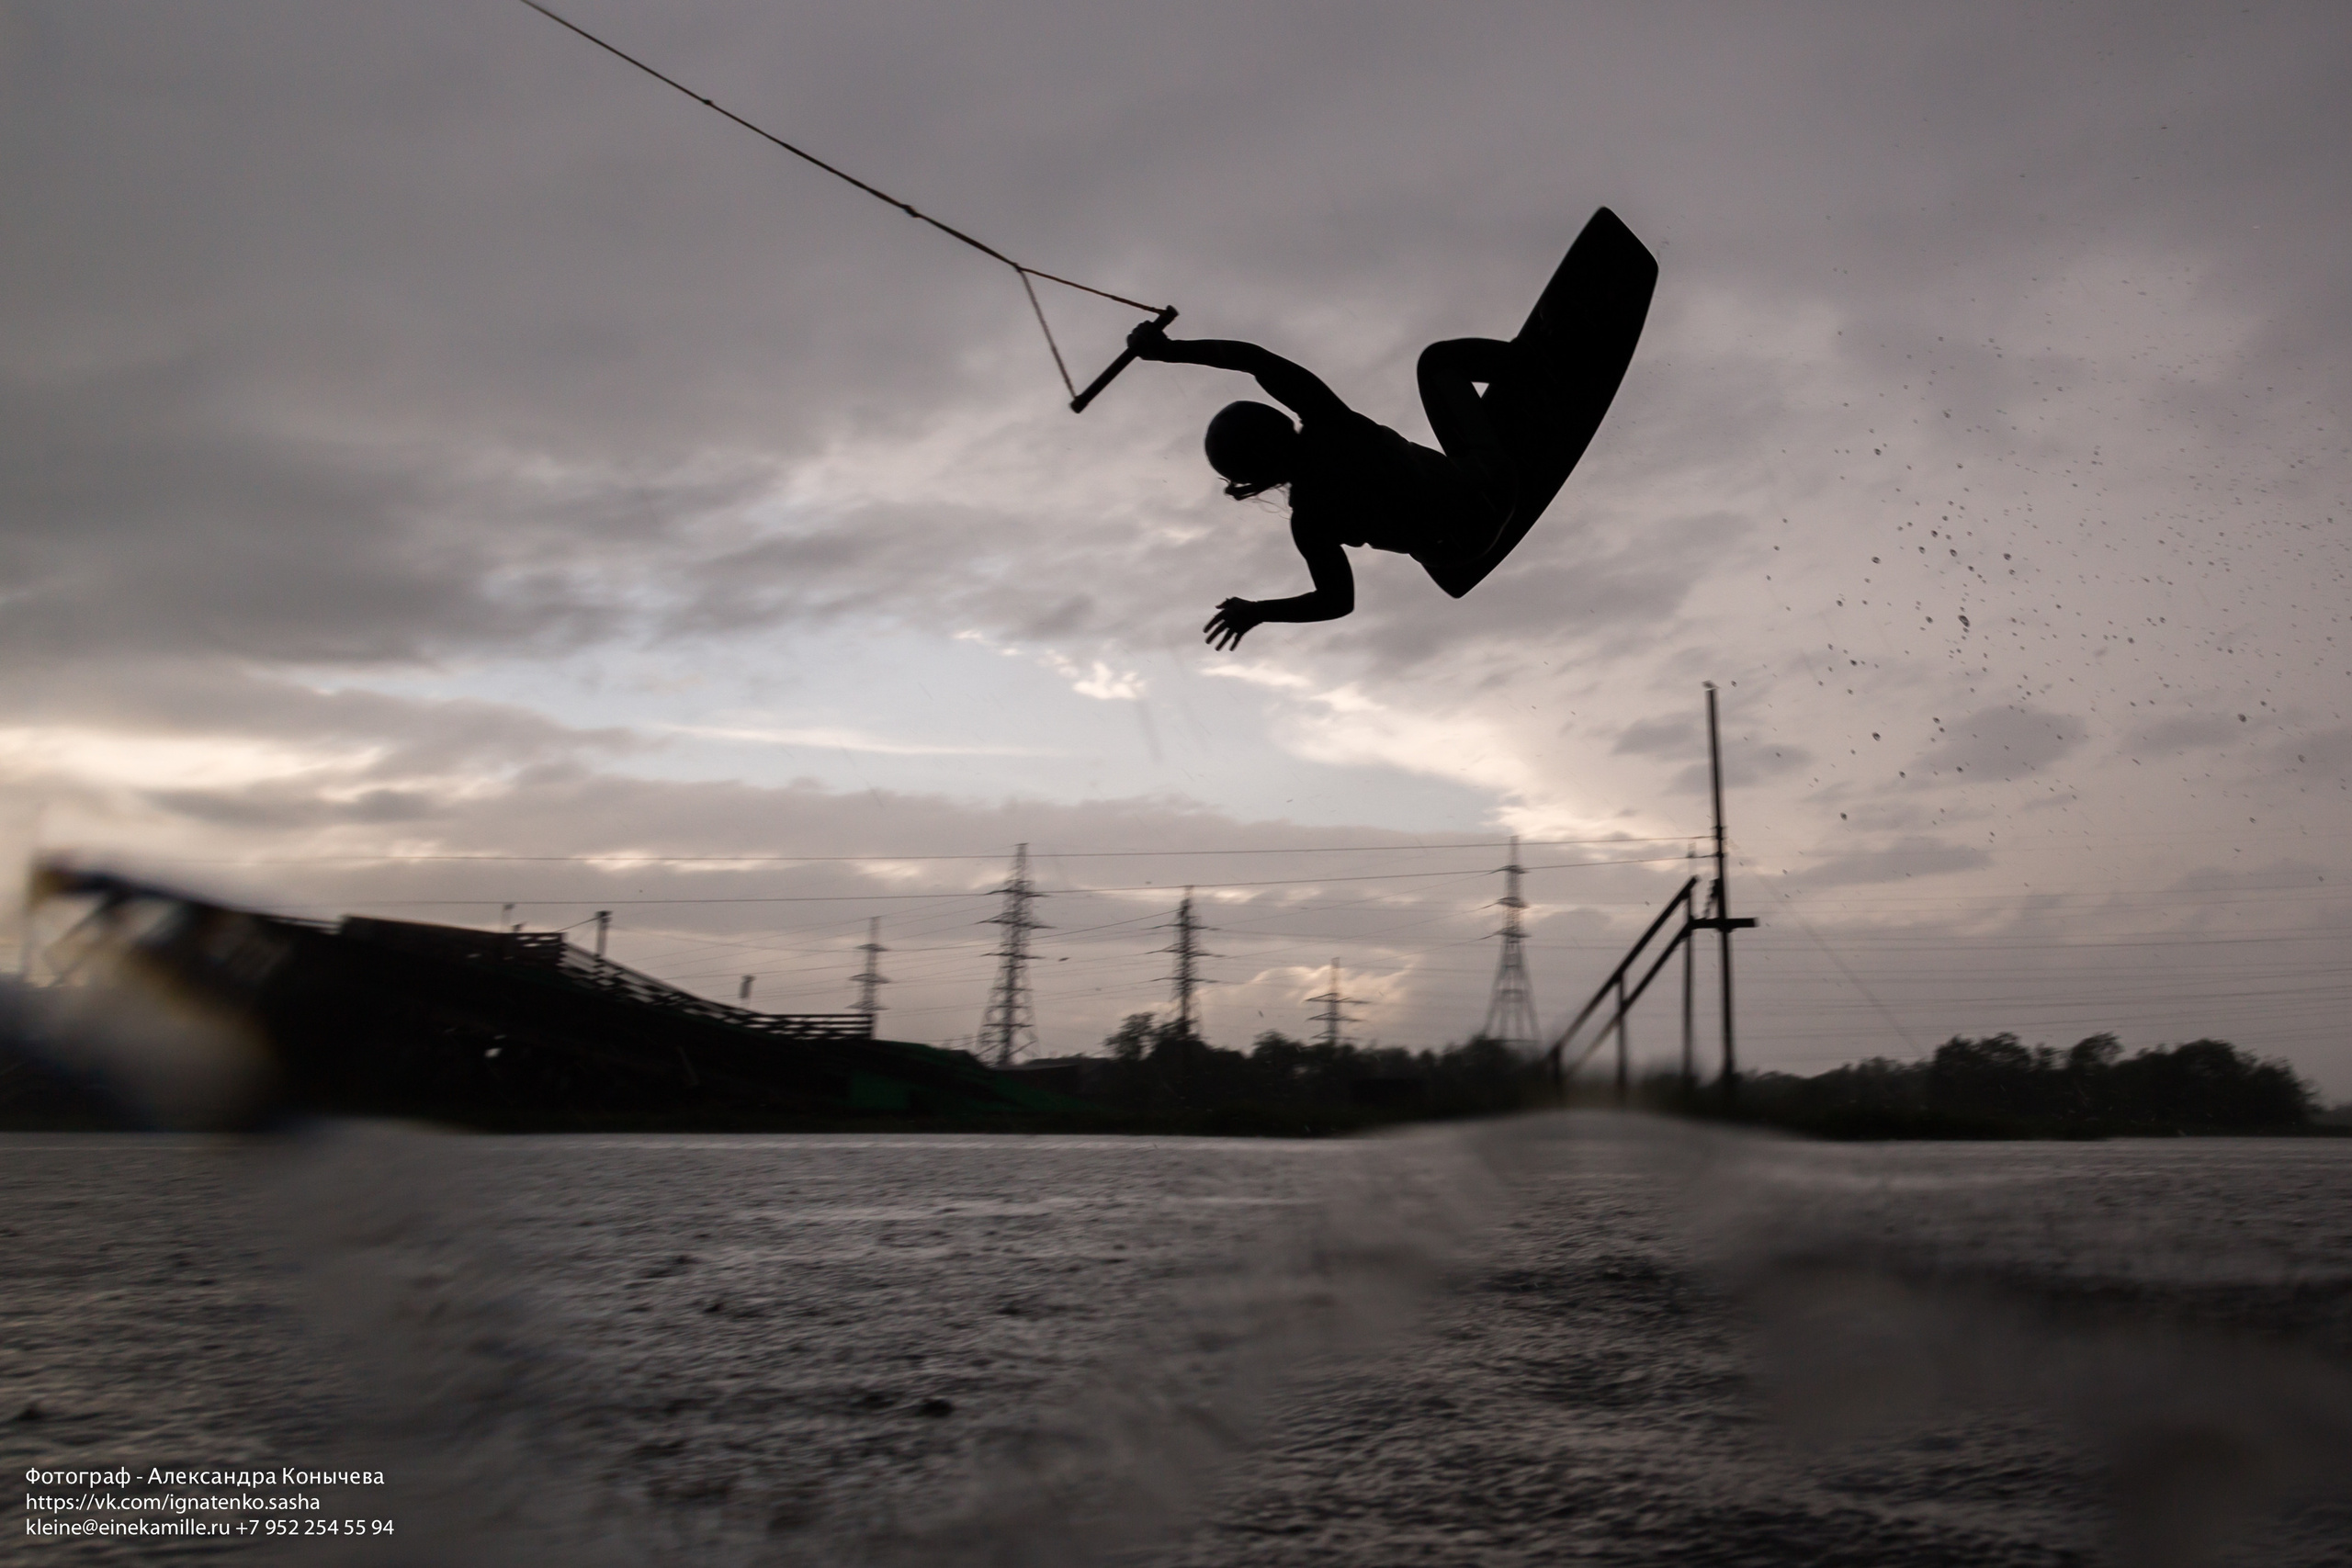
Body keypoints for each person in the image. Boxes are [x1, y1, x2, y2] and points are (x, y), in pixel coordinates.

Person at [1125, 320, 1523, 649]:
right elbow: (1254, 360)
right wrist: (1168, 350)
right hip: (1485, 493)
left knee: (1430, 503)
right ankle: (1532, 370)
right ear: (1275, 422)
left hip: (1453, 553)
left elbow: (1337, 601)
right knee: (1438, 362)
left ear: (1253, 479)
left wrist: (1258, 611)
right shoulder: (1330, 423)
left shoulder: (1310, 520)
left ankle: (1460, 487)